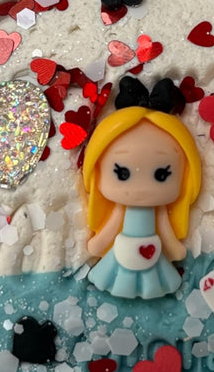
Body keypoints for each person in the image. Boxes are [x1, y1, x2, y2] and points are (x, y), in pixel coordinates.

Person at [82, 88, 201, 299]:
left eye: (161, 175)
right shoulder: (120, 208)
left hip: (152, 252)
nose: (141, 190)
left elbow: (165, 228)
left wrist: (173, 248)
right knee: (121, 276)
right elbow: (113, 225)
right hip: (123, 252)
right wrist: (100, 243)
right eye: (122, 173)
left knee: (152, 277)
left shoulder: (160, 210)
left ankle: (150, 289)